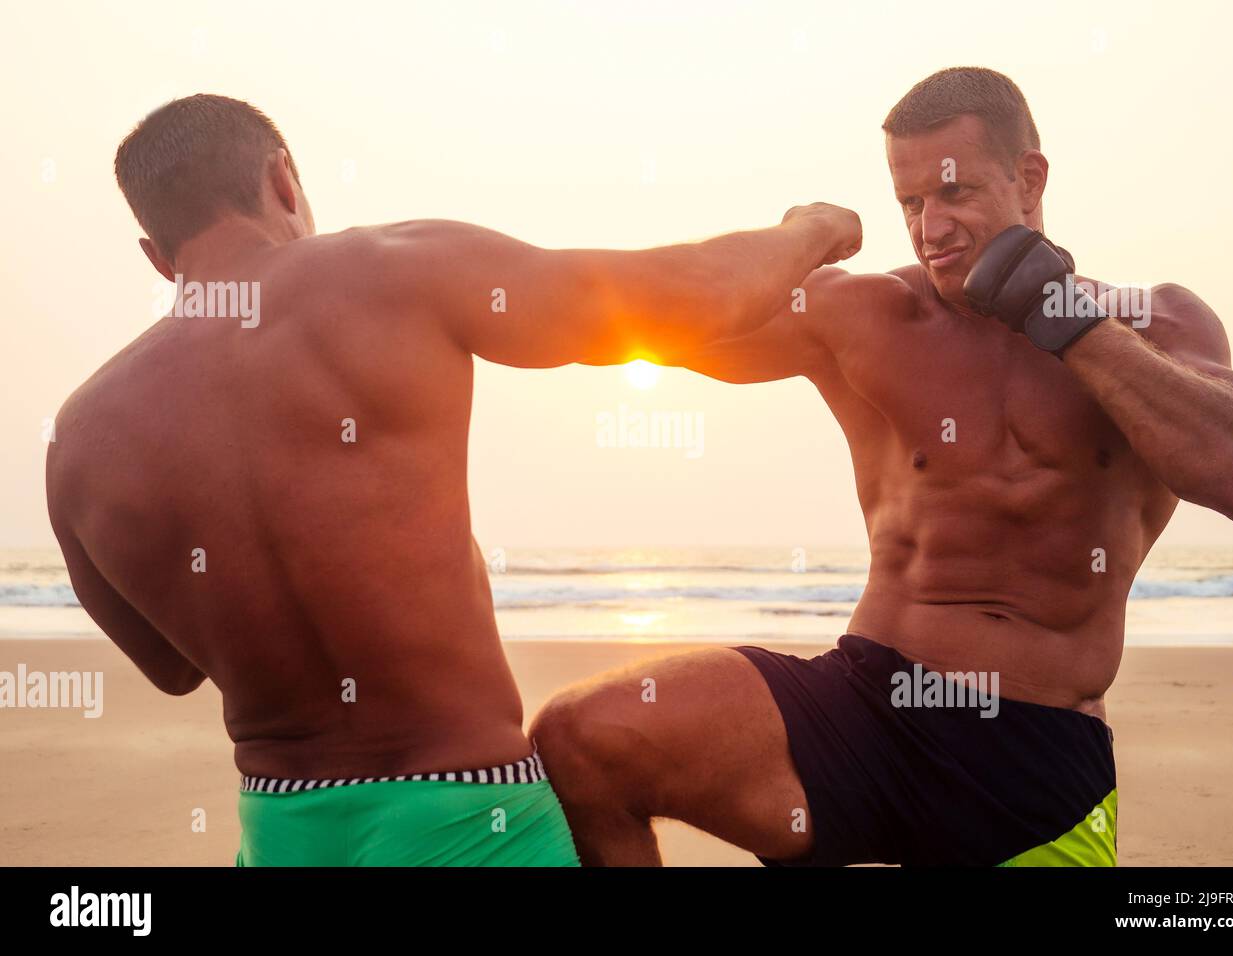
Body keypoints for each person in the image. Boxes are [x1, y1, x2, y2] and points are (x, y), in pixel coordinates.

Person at [44, 93, 862, 866]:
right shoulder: (394, 268)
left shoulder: (77, 441)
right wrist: (811, 227)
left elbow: (171, 669)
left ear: (156, 255)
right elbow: (679, 298)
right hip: (468, 811)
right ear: (283, 178)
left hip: (282, 824)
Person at [531, 66, 1233, 867]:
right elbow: (641, 319)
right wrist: (803, 239)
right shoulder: (870, 316)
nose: (931, 229)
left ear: (1030, 180)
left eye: (954, 194)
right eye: (910, 204)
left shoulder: (1155, 320)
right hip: (860, 709)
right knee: (581, 739)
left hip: (1032, 758)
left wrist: (1065, 319)